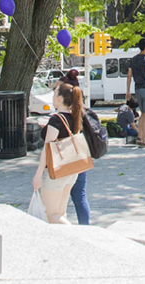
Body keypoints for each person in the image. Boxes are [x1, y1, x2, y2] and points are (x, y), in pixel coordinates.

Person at [32, 83, 85, 224]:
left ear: (60, 99)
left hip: (56, 172)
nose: (53, 97)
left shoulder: (56, 119)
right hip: (71, 170)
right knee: (61, 213)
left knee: (52, 216)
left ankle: (77, 238)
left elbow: (47, 148)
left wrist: (37, 175)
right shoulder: (75, 117)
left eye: (55, 94)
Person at [57, 70, 91, 226]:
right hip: (80, 156)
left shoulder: (61, 116)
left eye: (57, 90)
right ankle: (85, 227)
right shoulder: (80, 112)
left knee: (57, 196)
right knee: (80, 196)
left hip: (65, 159)